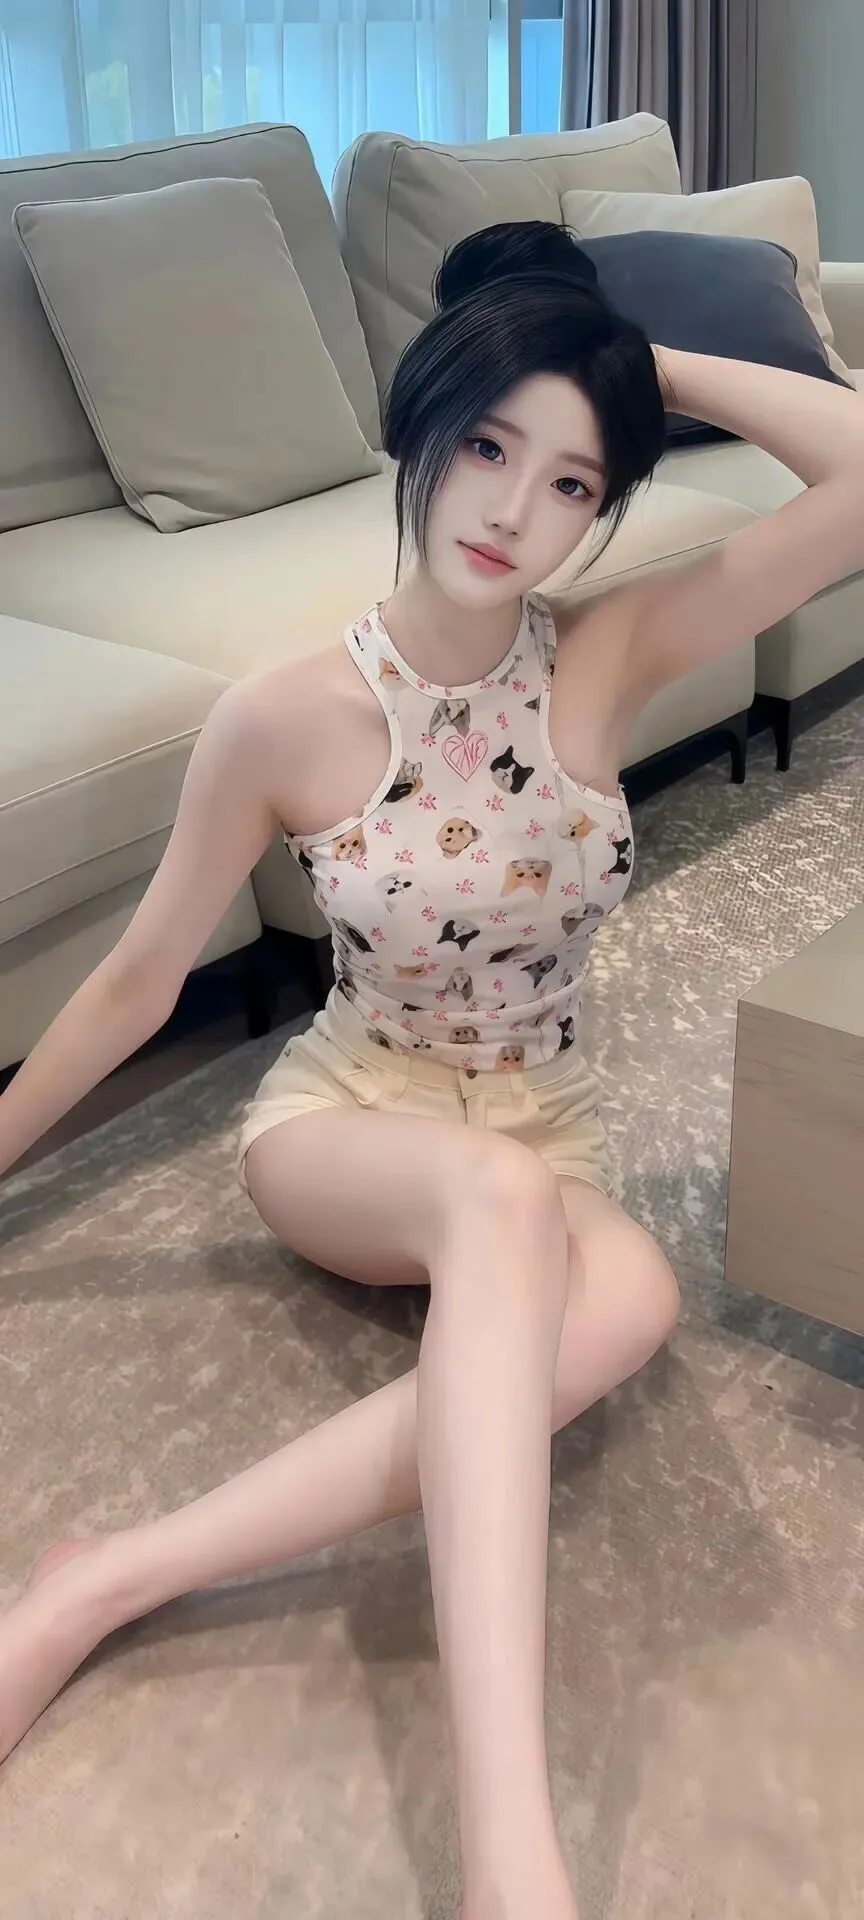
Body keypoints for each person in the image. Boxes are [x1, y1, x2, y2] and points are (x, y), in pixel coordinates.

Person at [2, 217, 864, 1920]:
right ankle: (508, 1856)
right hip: (354, 1120)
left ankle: (109, 1576)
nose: (513, 511)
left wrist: (629, 357)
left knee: (631, 1304)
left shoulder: (606, 651)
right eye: (487, 445)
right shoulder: (280, 716)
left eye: (571, 481)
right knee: (496, 1205)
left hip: (544, 1123)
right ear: (426, 424)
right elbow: (139, 978)